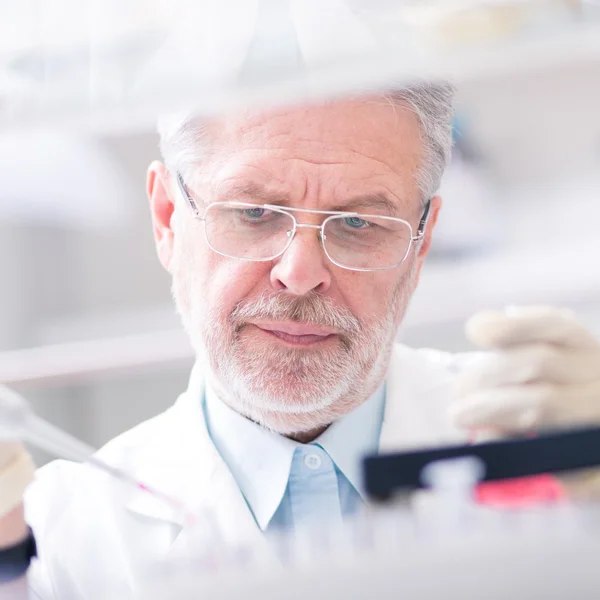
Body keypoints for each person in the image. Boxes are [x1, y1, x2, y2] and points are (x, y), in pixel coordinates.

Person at [2, 82, 600, 599]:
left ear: (420, 244)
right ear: (166, 218)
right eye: (255, 212)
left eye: (358, 223)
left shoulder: (541, 437)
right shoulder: (58, 539)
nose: (300, 271)